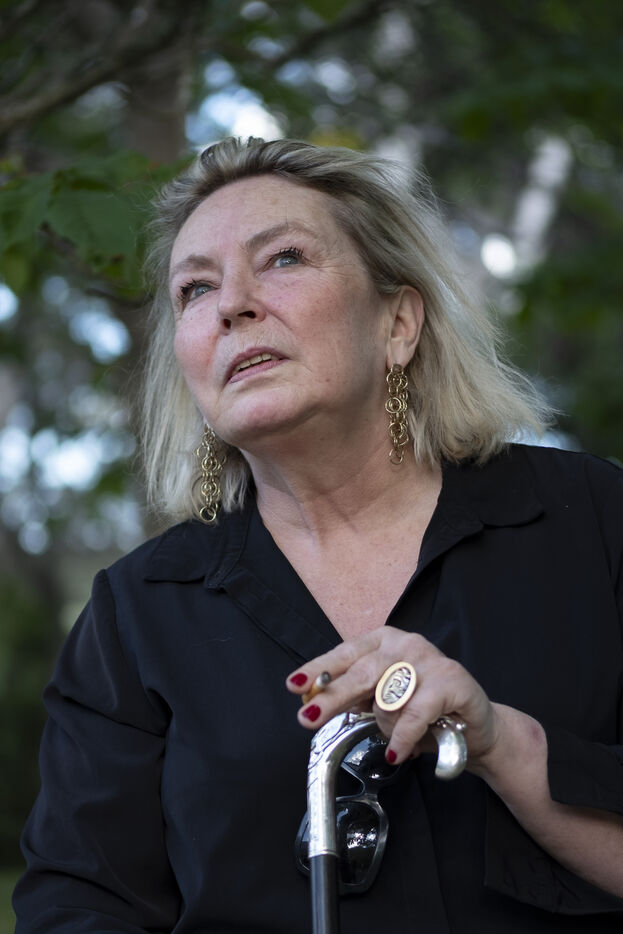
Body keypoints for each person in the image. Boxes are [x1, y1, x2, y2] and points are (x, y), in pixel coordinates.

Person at [13, 137, 623, 933]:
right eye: (195, 288)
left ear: (397, 324)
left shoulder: (593, 520)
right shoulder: (136, 612)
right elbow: (76, 906)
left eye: (284, 258)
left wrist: (500, 744)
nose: (231, 304)